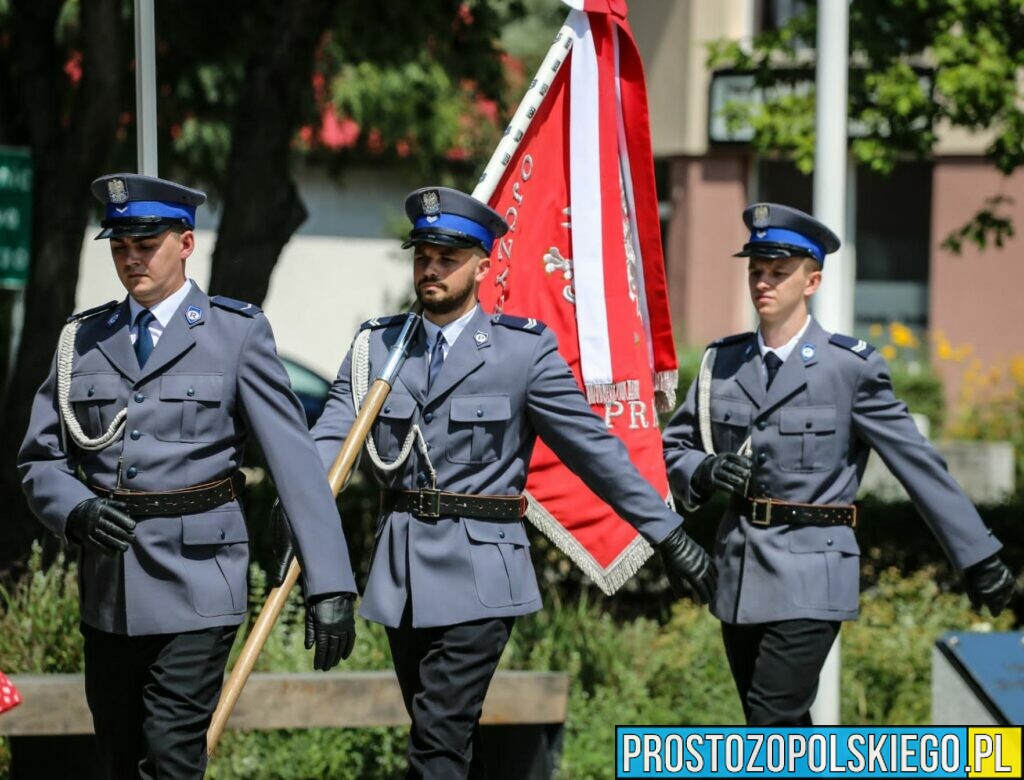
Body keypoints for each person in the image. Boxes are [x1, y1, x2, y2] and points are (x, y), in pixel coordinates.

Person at [274, 185, 716, 778]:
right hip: (402, 575)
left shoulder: (520, 353)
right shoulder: (376, 346)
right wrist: (298, 509)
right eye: (423, 255)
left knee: (436, 740)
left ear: (483, 265)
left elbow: (594, 452)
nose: (431, 268)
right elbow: (329, 443)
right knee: (440, 739)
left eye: (448, 258)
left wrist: (668, 532)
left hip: (480, 575)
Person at [18, 173, 358, 779]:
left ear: (186, 242)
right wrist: (76, 509)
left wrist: (330, 583)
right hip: (110, 594)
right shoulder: (83, 340)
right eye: (120, 246)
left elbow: (296, 465)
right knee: (120, 761)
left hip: (199, 586)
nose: (131, 259)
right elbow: (40, 458)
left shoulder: (235, 334)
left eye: (145, 245)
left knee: (172, 761)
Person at [661, 202, 1016, 726]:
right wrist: (703, 471)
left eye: (779, 273)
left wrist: (979, 556)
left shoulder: (850, 368)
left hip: (813, 569)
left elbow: (917, 466)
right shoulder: (723, 362)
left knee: (771, 720)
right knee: (777, 723)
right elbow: (674, 448)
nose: (764, 283)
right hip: (738, 570)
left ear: (813, 281)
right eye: (756, 271)